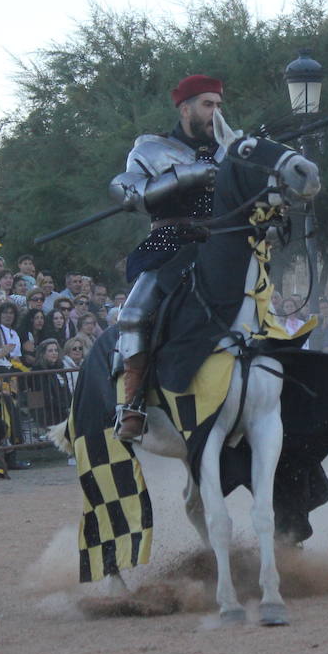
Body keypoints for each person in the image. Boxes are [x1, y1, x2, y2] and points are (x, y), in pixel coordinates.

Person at [105, 74, 225, 439]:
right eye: (208, 105)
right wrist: (185, 176)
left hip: (221, 244)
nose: (215, 113)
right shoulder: (152, 150)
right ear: (185, 108)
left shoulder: (231, 148)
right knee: (134, 314)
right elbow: (125, 191)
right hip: (171, 243)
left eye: (219, 106)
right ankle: (133, 406)